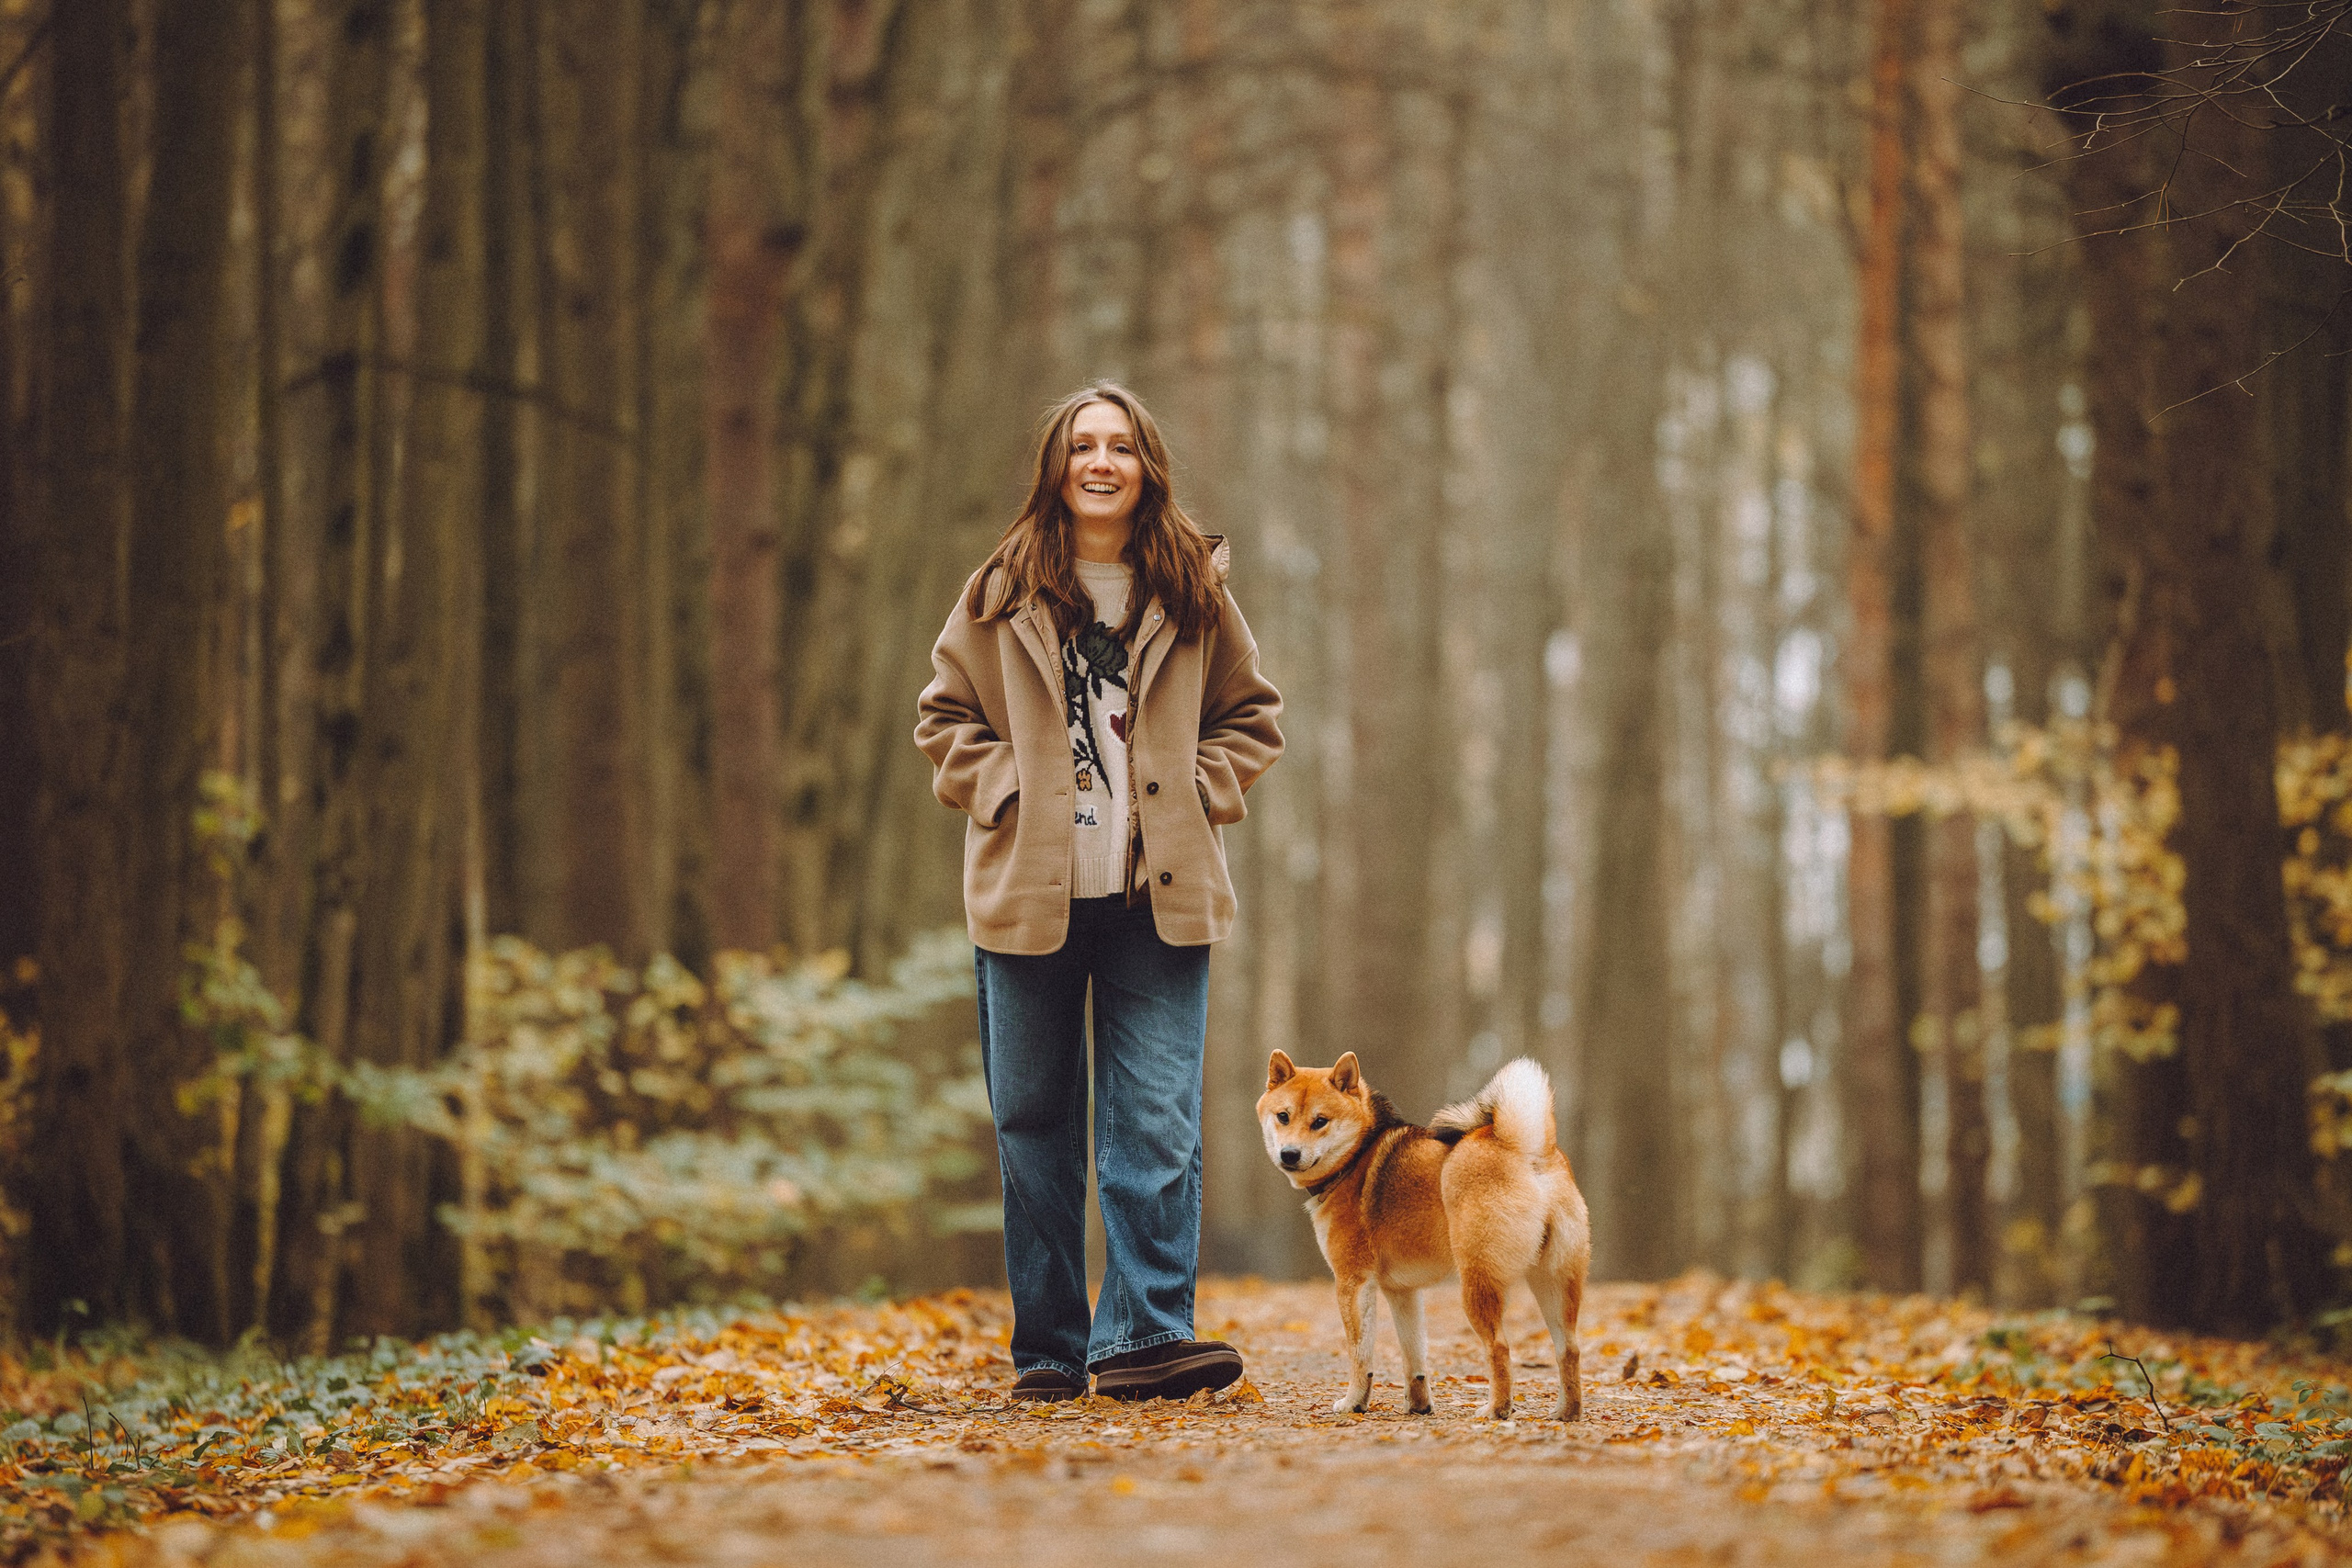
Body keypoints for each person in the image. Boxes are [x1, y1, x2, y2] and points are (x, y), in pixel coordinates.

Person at [915, 382, 1283, 1403]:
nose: (1101, 461)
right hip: (1027, 897)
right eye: (1083, 445)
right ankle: (1048, 1350)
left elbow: (1252, 718)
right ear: (1058, 466)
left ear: (1145, 466)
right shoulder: (999, 590)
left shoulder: (1194, 592)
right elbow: (943, 719)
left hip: (1155, 901)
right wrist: (1009, 790)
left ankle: (1145, 1337)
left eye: (1121, 445)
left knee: (1154, 1124)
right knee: (1033, 1126)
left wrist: (1198, 796)